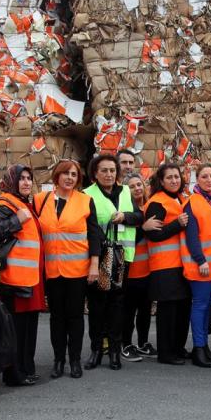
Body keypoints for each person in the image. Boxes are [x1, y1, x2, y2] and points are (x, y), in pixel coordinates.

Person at [35, 160, 101, 379]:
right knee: (56, 317)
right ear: (57, 176)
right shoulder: (41, 201)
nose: (70, 178)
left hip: (77, 271)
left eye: (74, 174)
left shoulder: (85, 201)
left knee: (74, 317)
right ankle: (58, 360)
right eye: (66, 174)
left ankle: (74, 360)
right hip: (52, 271)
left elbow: (94, 235)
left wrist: (94, 265)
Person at [83, 154, 142, 370]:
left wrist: (125, 217)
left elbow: (139, 217)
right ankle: (96, 349)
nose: (109, 174)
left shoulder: (125, 191)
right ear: (95, 174)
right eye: (104, 171)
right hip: (98, 257)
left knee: (118, 305)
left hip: (122, 258)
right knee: (98, 305)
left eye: (112, 170)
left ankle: (115, 351)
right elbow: (89, 227)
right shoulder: (87, 195)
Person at [0, 165, 44, 386]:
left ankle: (26, 368)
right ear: (11, 181)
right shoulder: (3, 204)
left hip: (30, 277)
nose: (26, 183)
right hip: (13, 278)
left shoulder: (25, 204)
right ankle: (14, 373)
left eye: (29, 179)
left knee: (28, 327)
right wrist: (17, 220)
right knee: (16, 329)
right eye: (21, 178)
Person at [182, 164, 211, 368]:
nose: (209, 179)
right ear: (197, 180)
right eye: (204, 176)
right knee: (200, 307)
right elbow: (192, 237)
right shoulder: (192, 203)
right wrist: (200, 260)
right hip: (201, 266)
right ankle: (198, 348)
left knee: (206, 307)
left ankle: (203, 346)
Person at [144, 162, 191, 365]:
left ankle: (178, 348)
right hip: (164, 267)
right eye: (169, 177)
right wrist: (177, 224)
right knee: (168, 312)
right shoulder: (157, 203)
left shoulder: (180, 199)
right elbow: (154, 235)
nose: (174, 180)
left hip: (181, 265)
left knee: (182, 309)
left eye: (176, 176)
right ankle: (166, 353)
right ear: (161, 181)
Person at [120, 173, 155, 361]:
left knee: (145, 309)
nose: (137, 188)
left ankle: (143, 343)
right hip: (131, 270)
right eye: (132, 186)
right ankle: (126, 343)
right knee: (128, 310)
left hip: (148, 269)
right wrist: (144, 228)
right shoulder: (126, 211)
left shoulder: (149, 207)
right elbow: (128, 237)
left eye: (139, 184)